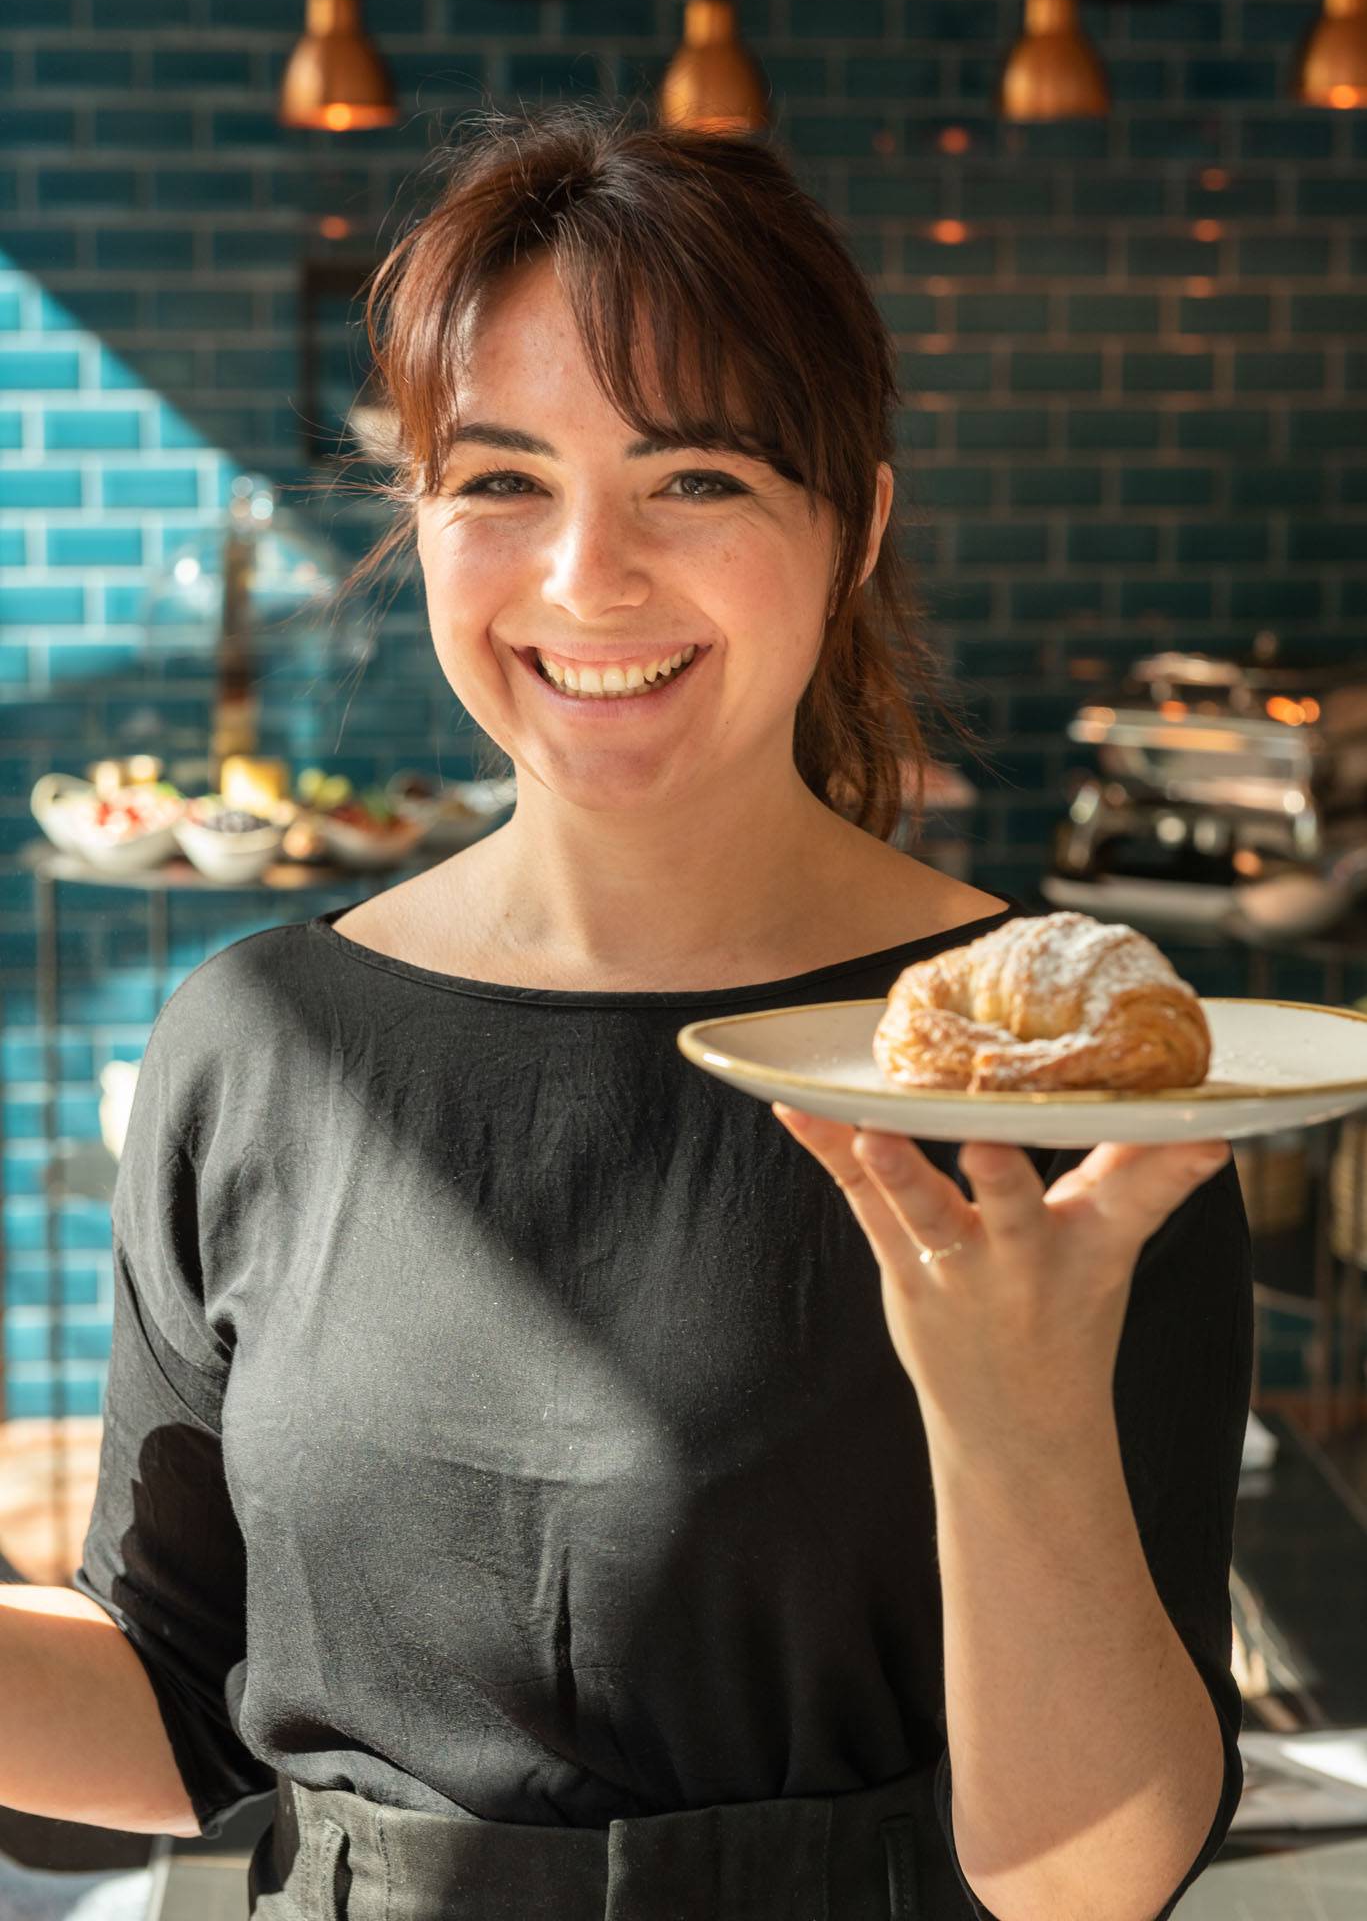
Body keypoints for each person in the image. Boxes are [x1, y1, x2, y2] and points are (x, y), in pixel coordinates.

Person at [69, 101, 1251, 1920]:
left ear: (854, 522)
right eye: (503, 481)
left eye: (696, 479)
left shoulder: (1058, 1085)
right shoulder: (259, 1040)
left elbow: (1096, 1881)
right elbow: (178, 1696)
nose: (584, 578)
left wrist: (1010, 1428)